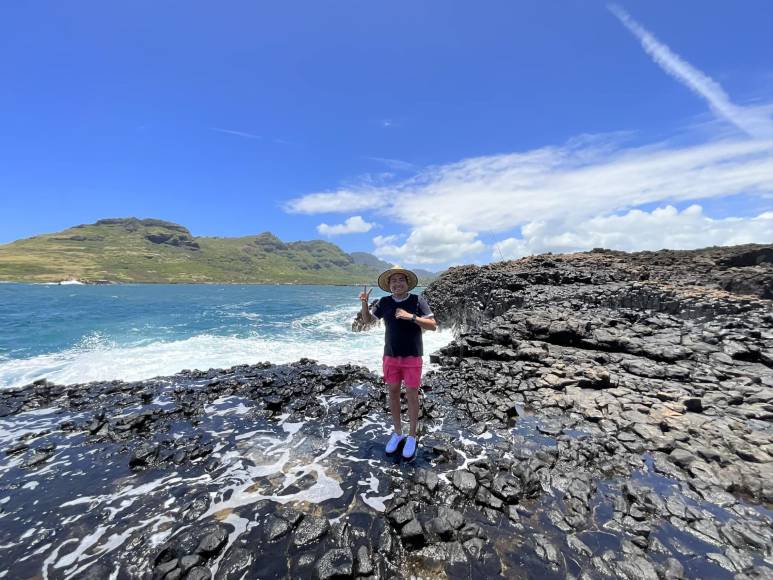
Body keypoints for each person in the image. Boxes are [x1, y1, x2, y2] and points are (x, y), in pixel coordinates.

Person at [359, 266, 437, 459]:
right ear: (388, 285)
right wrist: (364, 304)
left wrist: (410, 316)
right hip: (391, 356)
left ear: (407, 282)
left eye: (400, 280)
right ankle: (397, 432)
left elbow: (433, 325)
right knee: (393, 392)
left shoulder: (418, 300)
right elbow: (368, 321)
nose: (397, 283)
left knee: (412, 395)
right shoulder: (384, 302)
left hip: (412, 355)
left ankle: (411, 436)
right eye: (393, 281)